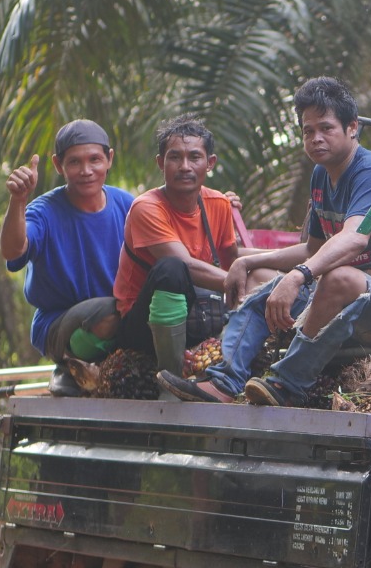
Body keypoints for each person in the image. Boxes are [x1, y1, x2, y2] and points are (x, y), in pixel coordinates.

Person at [157, 77, 371, 407]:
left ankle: (288, 384)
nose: (315, 138)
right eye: (307, 130)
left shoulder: (370, 170)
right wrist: (248, 261)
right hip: (342, 298)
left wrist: (298, 275)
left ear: (352, 128)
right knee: (264, 293)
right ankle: (223, 382)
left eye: (326, 128)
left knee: (338, 278)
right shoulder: (321, 175)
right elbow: (313, 249)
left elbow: (354, 239)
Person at [111, 115, 265, 398]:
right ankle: (170, 380)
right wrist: (251, 292)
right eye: (174, 158)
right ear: (160, 163)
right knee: (171, 269)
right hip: (144, 324)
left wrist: (290, 266)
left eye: (195, 157)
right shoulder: (146, 207)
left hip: (197, 315)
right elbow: (187, 266)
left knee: (263, 275)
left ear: (210, 163)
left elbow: (233, 259)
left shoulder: (218, 203)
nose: (185, 167)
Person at [1, 119, 134, 397]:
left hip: (123, 312)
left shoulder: (128, 205)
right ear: (58, 165)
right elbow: (13, 251)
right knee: (109, 315)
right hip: (60, 323)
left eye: (95, 160)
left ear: (109, 159)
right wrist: (18, 200)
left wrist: (215, 205)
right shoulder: (43, 210)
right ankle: (71, 365)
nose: (86, 171)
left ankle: (113, 369)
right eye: (74, 162)